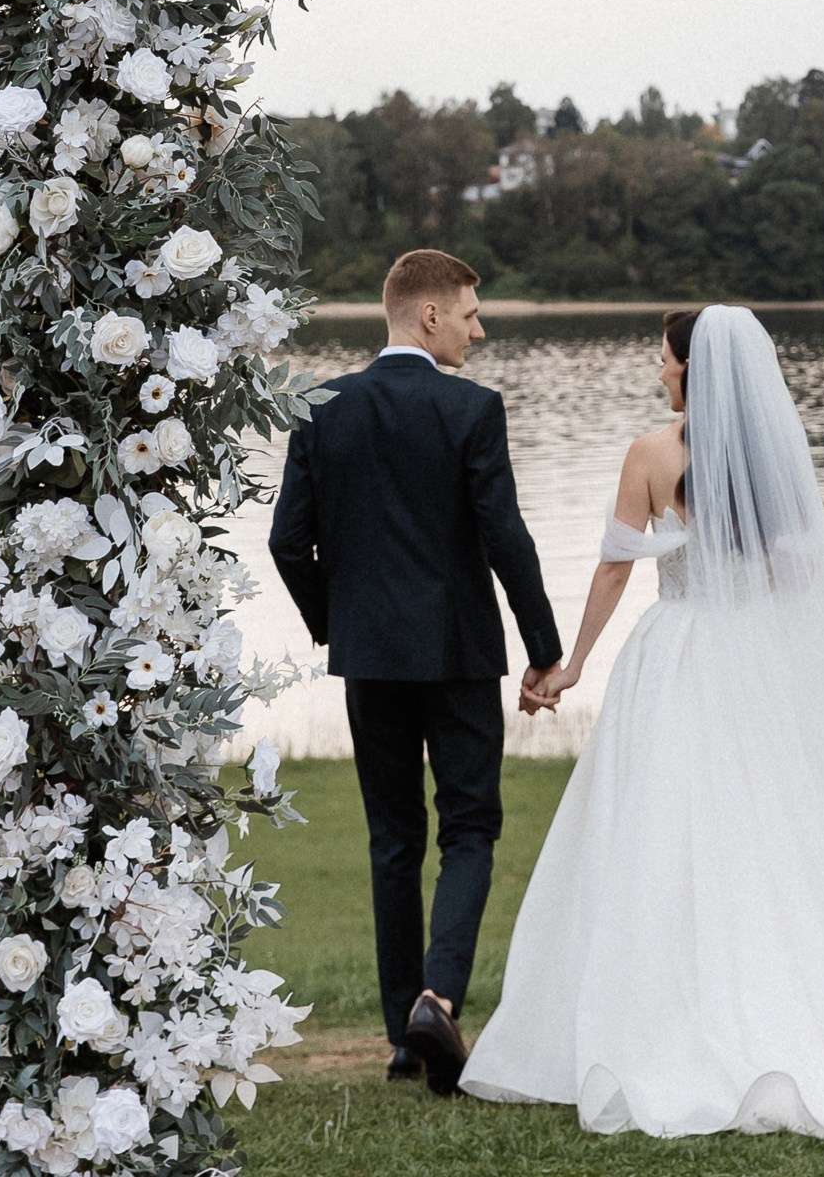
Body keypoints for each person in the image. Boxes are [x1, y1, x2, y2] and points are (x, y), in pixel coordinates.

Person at [461, 304, 824, 1142]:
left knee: (671, 834)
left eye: (665, 360)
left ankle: (683, 1013)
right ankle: (798, 1001)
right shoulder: (776, 462)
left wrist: (569, 662)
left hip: (680, 657)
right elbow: (799, 578)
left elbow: (616, 566)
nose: (658, 371)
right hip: (764, 661)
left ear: (692, 370)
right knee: (779, 835)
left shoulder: (651, 455)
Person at [268, 248, 563, 1094]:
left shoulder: (322, 406)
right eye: (469, 313)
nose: (479, 328)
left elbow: (289, 541)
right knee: (468, 829)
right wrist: (543, 649)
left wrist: (340, 625)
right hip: (459, 654)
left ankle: (405, 1035)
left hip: (369, 659)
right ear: (426, 315)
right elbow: (504, 536)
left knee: (393, 839)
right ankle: (437, 997)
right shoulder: (470, 409)